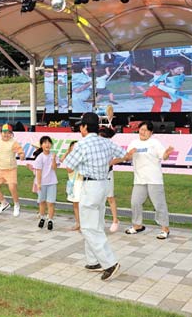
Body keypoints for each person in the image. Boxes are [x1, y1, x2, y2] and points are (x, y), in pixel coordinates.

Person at [63, 116, 126, 281]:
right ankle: (93, 261)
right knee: (96, 224)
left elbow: (69, 165)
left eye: (80, 127)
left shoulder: (81, 144)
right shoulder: (105, 142)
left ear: (84, 127)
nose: (80, 129)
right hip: (103, 184)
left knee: (89, 228)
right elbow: (123, 154)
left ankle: (109, 263)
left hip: (90, 186)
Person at [120, 122, 174, 239]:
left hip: (154, 179)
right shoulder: (134, 143)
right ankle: (137, 225)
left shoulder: (155, 143)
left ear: (151, 132)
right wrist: (130, 154)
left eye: (145, 130)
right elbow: (127, 158)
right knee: (135, 202)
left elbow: (163, 156)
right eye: (141, 129)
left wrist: (167, 153)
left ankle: (165, 228)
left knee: (159, 204)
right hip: (139, 179)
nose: (142, 132)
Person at [98, 125, 122, 233]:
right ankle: (99, 221)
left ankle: (115, 220)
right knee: (99, 198)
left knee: (110, 198)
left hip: (108, 174)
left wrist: (111, 162)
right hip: (97, 175)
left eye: (103, 136)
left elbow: (123, 156)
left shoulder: (111, 146)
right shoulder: (95, 145)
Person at [32, 136, 58, 230]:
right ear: (41, 145)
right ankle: (42, 217)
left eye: (49, 142)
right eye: (45, 143)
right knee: (42, 202)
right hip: (42, 183)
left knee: (51, 202)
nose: (47, 144)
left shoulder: (53, 155)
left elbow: (54, 168)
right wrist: (38, 184)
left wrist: (54, 159)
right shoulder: (40, 157)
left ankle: (50, 219)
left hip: (52, 182)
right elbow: (38, 171)